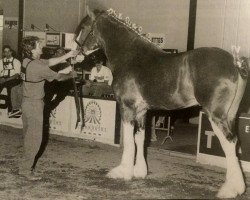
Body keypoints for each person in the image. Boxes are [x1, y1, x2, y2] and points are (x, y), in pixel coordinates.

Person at [19, 36, 78, 180]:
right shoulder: (37, 67)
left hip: (26, 103)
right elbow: (58, 77)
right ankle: (26, 170)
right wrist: (71, 75)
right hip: (34, 105)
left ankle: (25, 167)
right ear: (32, 49)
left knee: (29, 137)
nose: (42, 47)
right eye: (39, 45)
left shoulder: (27, 61)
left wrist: (68, 55)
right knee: (35, 139)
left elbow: (48, 62)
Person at [0, 45, 22, 117]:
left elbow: (16, 75)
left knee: (11, 90)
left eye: (8, 51)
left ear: (11, 52)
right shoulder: (1, 61)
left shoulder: (16, 61)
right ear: (3, 53)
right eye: (5, 52)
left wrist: (6, 80)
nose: (7, 53)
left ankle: (11, 111)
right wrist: (1, 79)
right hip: (3, 78)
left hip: (12, 79)